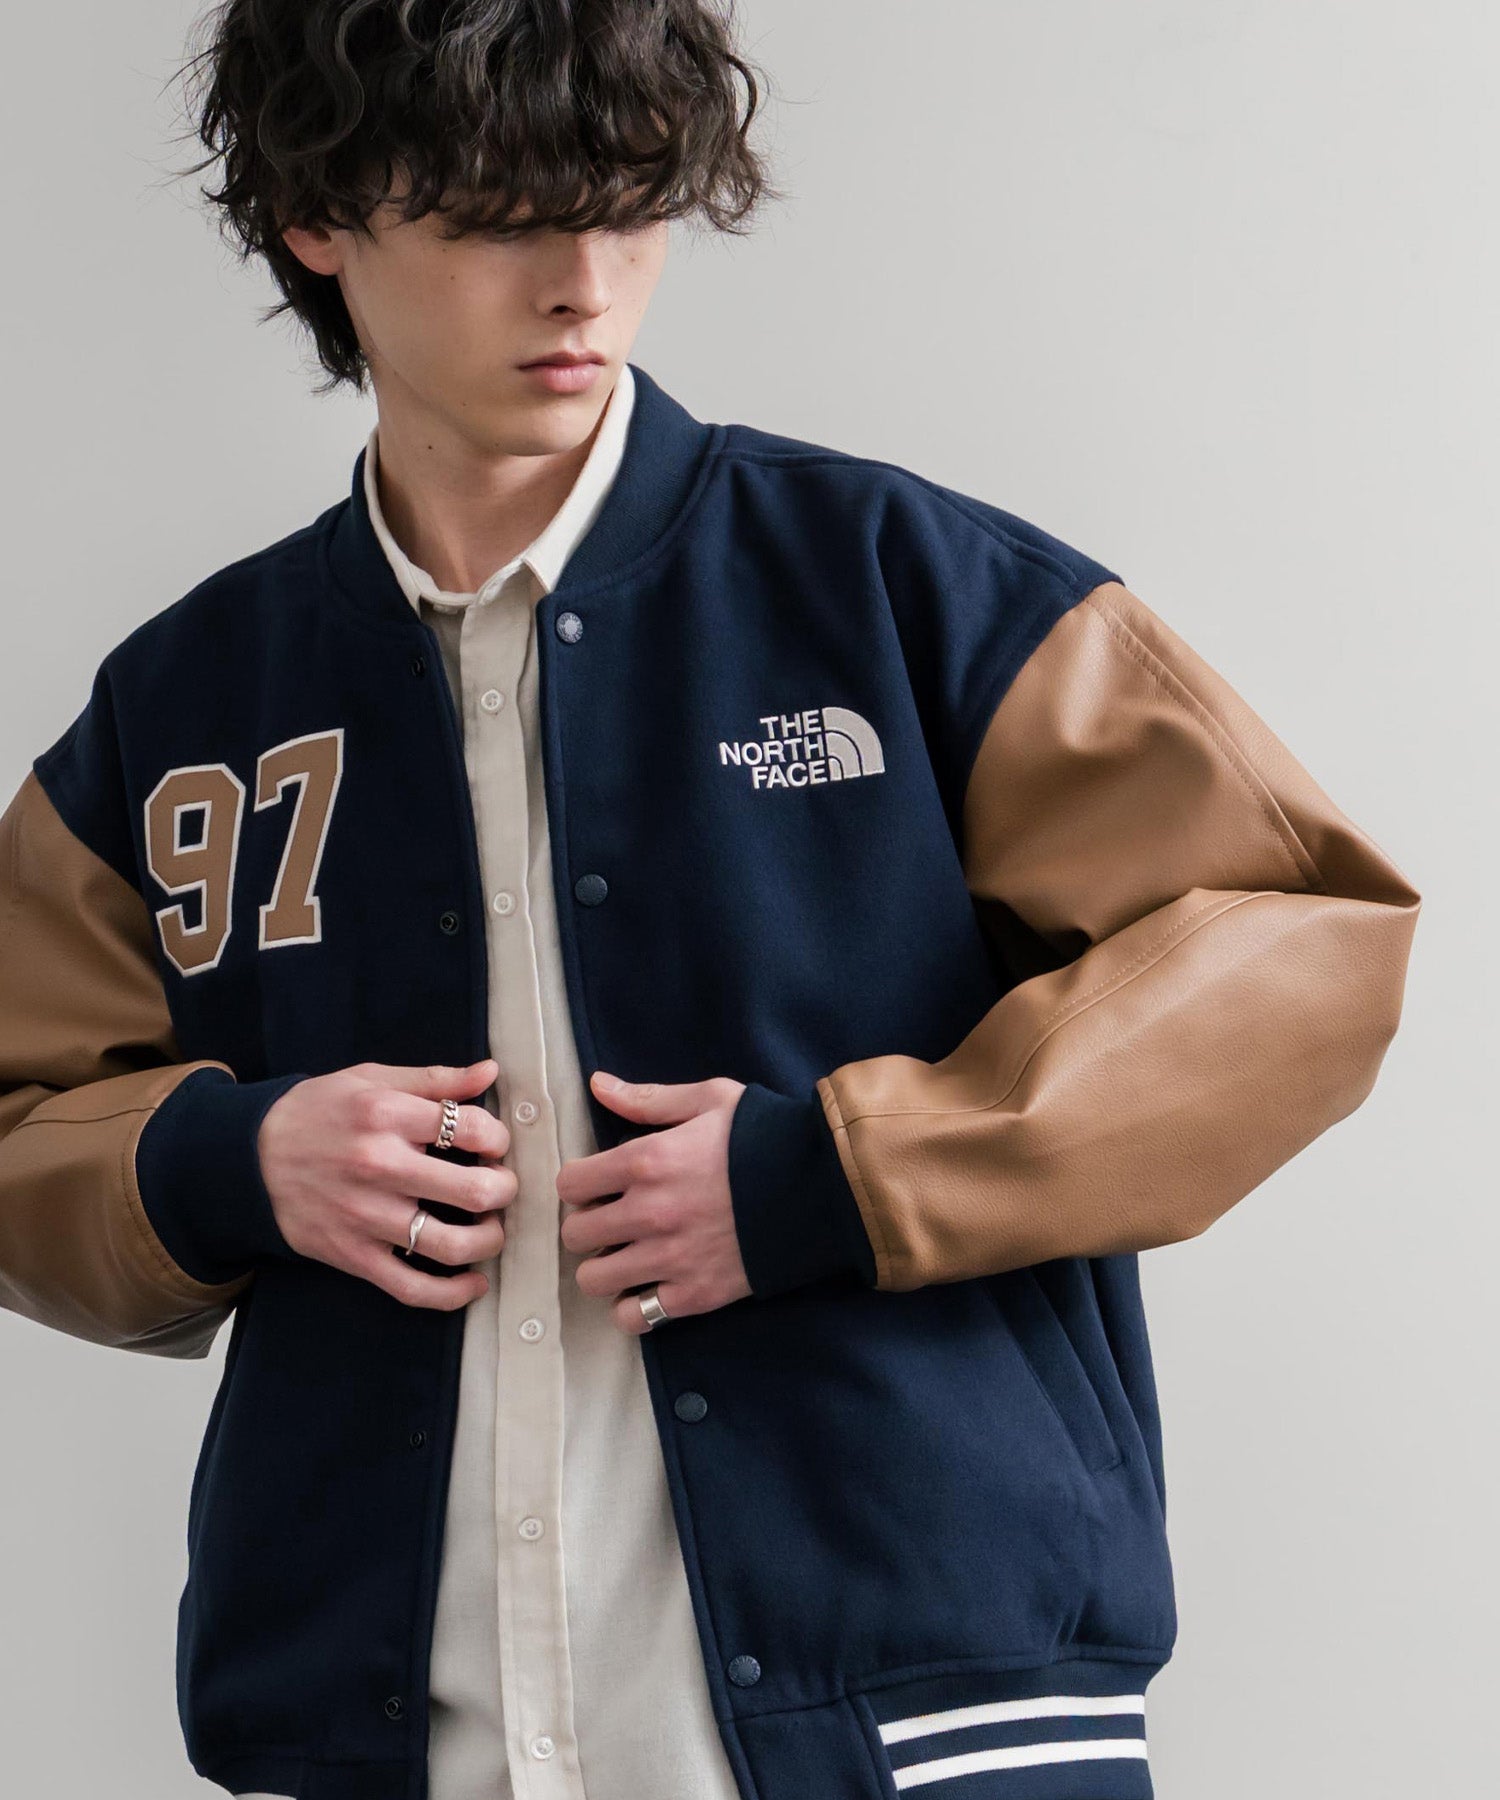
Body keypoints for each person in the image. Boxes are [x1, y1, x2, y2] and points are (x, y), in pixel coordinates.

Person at [0, 4, 1422, 1798]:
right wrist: (231, 1160)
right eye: (501, 218)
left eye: (628, 206)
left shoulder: (894, 586)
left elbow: (1303, 940)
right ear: (319, 216)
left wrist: (836, 1176)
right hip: (391, 1741)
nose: (584, 286)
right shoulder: (191, 702)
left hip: (916, 1723)